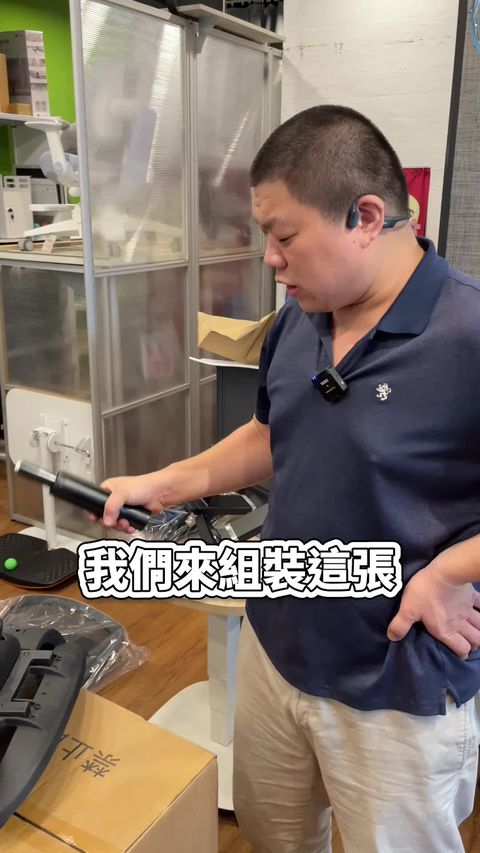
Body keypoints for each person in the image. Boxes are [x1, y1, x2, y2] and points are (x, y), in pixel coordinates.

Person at [94, 105, 480, 852]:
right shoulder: (301, 318)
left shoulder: (467, 334)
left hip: (395, 680)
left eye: (284, 236)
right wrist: (165, 483)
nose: (270, 259)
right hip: (275, 644)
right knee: (276, 835)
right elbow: (271, 433)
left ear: (365, 217)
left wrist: (450, 573)